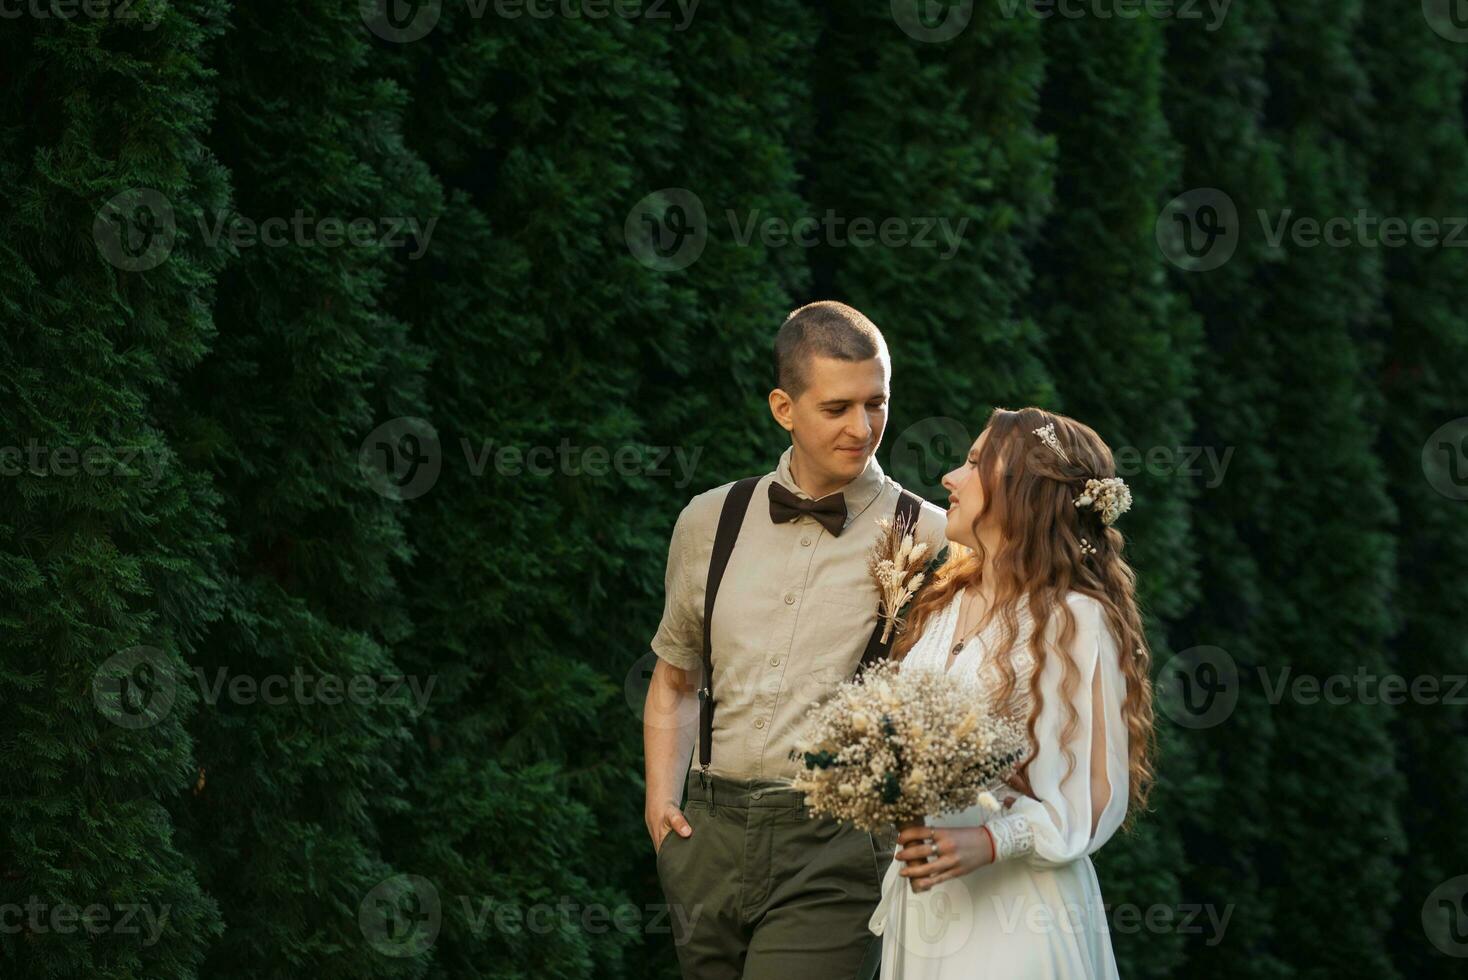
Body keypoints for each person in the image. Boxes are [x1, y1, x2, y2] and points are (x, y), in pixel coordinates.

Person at [643, 300, 948, 980]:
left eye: (878, 403)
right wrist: (661, 806)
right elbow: (675, 679)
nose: (863, 427)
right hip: (708, 842)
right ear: (784, 407)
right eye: (837, 408)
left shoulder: (932, 537)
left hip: (836, 844)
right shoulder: (707, 521)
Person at [869, 406, 1156, 978]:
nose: (950, 478)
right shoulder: (941, 604)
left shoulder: (1074, 620)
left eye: (975, 464)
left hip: (1018, 913)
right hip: (927, 906)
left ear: (1023, 493)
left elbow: (1096, 795)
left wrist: (993, 841)